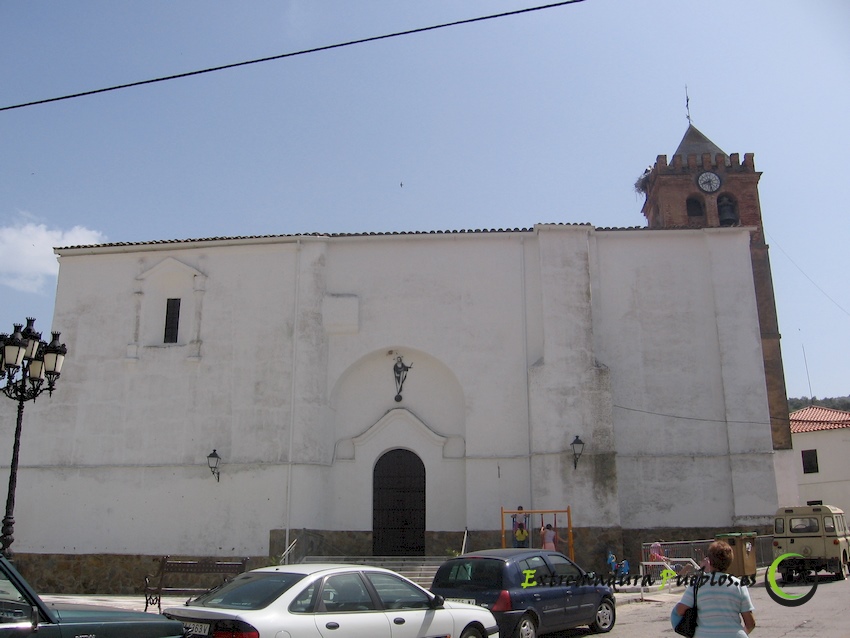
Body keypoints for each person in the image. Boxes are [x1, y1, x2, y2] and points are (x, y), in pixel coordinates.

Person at [673, 540, 756, 637]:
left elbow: (680, 610)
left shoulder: (696, 584)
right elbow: (750, 624)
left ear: (710, 561)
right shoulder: (739, 585)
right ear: (730, 561)